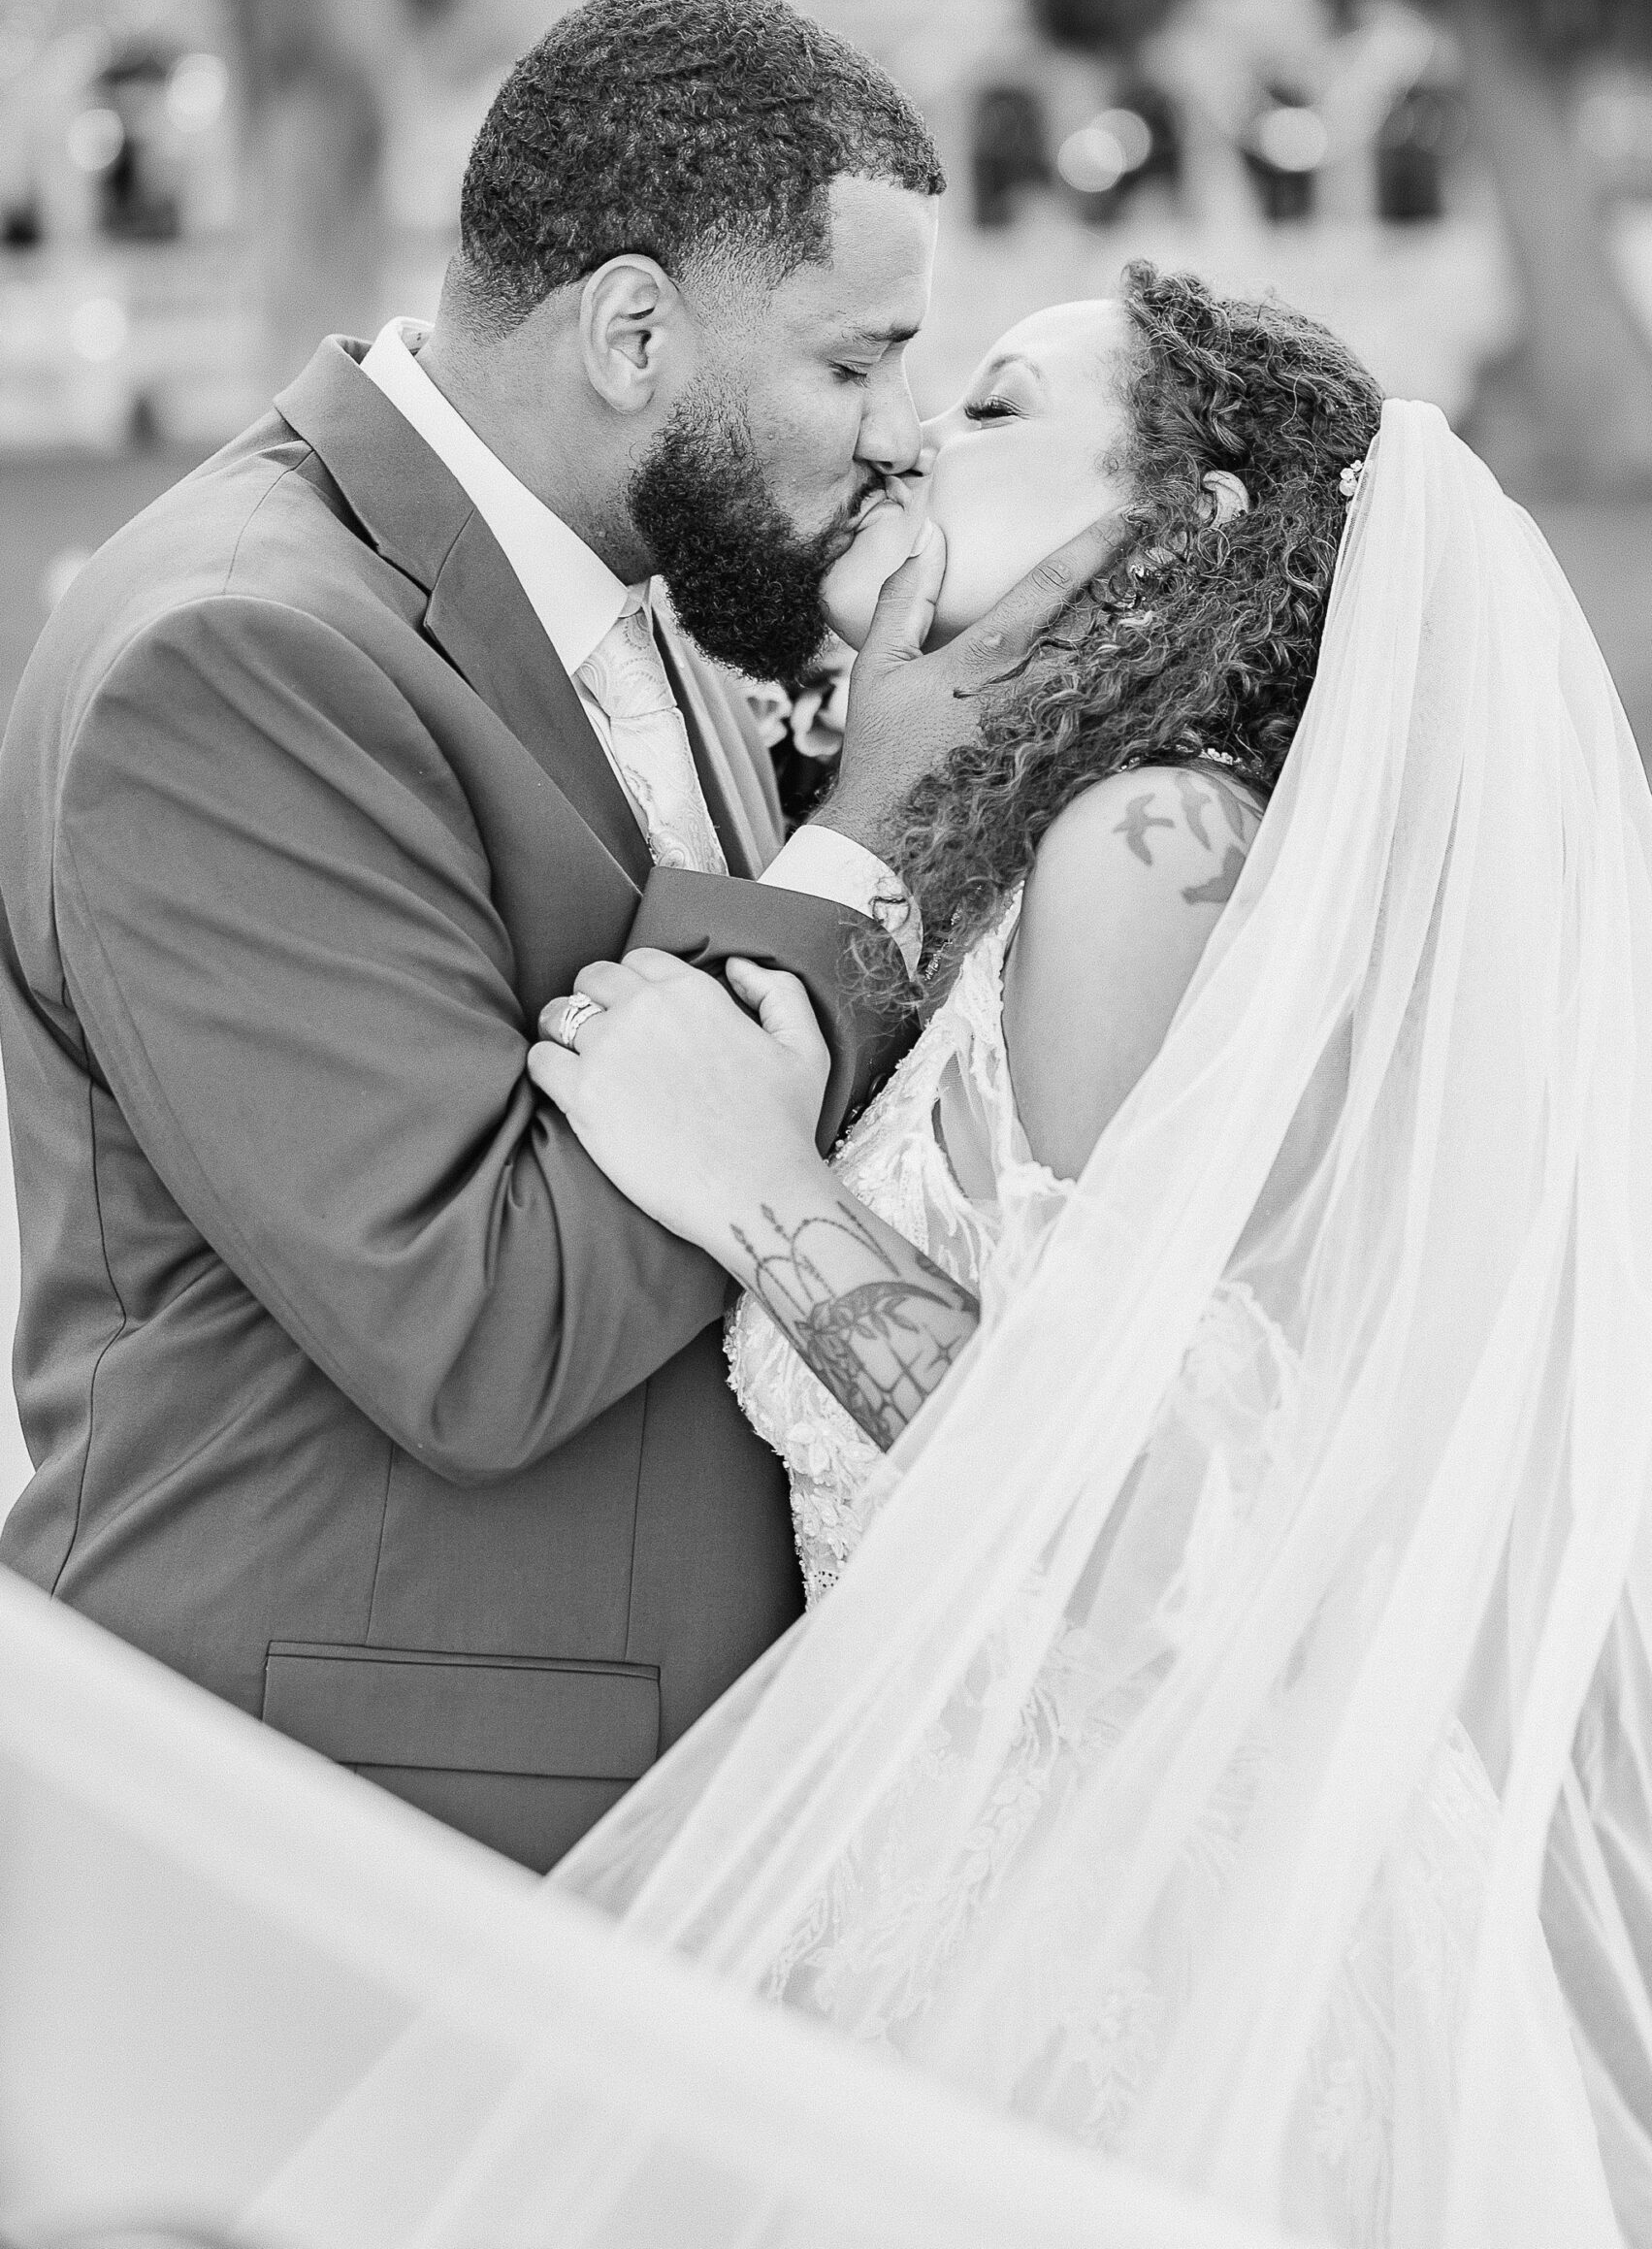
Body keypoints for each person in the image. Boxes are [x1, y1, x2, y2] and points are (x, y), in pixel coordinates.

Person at [517, 268, 1652, 2245]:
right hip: (969, 1875)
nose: (909, 438)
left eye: (994, 410)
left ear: (1180, 526)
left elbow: (1140, 1548)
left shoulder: (1146, 854)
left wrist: (755, 1184)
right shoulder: (1081, 845)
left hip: (1116, 1955)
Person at [0, 0, 1107, 1874]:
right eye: (855, 363)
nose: (900, 433)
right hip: (333, 1834)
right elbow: (477, 1328)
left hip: (664, 1801)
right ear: (632, 331)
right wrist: (872, 841)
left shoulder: (639, 580)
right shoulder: (238, 654)